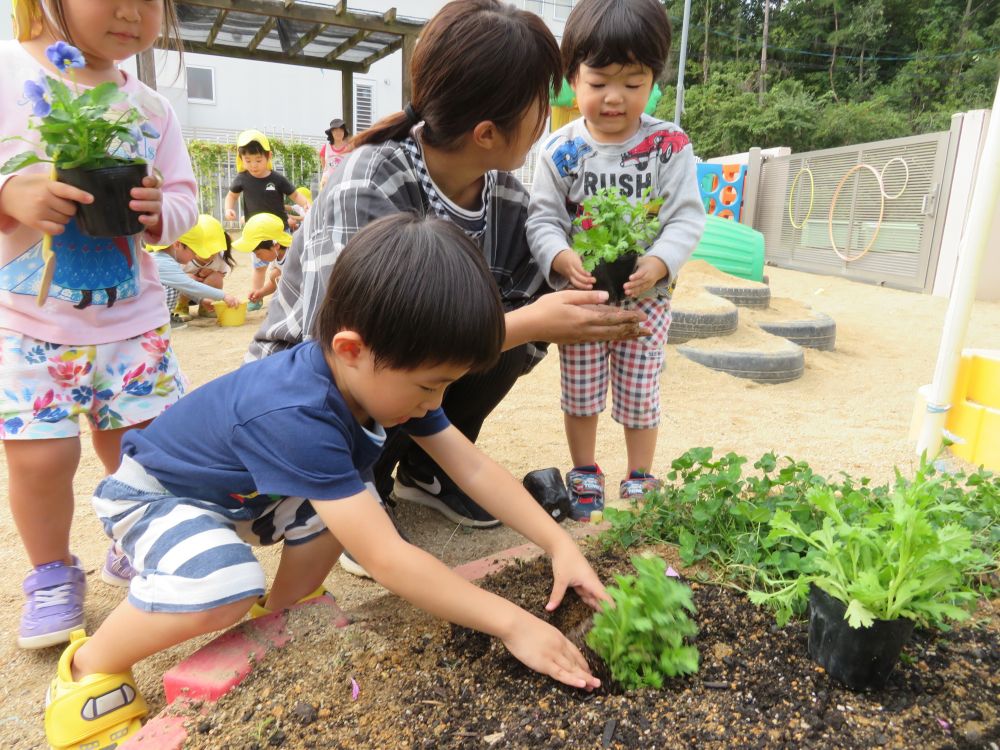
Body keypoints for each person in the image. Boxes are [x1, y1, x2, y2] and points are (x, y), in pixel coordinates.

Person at [43, 214, 608, 749]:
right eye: (431, 387)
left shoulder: (387, 379)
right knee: (223, 586)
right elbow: (385, 559)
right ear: (352, 349)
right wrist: (512, 624)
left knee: (341, 509)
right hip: (156, 496)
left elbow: (473, 466)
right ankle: (90, 669)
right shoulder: (300, 411)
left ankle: (283, 617)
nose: (435, 404)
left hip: (243, 496)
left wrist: (558, 543)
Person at [249, 0, 648, 554]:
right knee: (510, 327)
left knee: (513, 332)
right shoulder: (371, 178)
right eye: (539, 105)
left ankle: (423, 470)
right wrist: (530, 322)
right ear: (487, 132)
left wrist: (614, 277)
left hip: (403, 379)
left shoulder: (504, 196)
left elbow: (549, 291)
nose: (545, 119)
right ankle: (352, 488)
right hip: (322, 381)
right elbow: (345, 345)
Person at [0, 0, 196, 649]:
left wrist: (158, 211)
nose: (131, 10)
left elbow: (184, 200)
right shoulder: (7, 73)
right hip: (27, 322)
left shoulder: (151, 107)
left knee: (144, 453)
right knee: (41, 458)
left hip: (132, 323)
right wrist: (9, 195)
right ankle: (53, 574)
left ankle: (135, 542)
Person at [526, 0, 705, 520]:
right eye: (600, 80)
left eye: (633, 82)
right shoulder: (560, 150)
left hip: (644, 299)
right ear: (573, 78)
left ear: (654, 79)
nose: (614, 97)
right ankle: (585, 471)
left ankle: (639, 475)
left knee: (639, 389)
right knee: (579, 391)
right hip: (581, 298)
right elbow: (541, 220)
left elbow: (687, 218)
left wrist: (661, 261)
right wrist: (560, 258)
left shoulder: (668, 145)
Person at [223, 129, 310, 309]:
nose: (253, 165)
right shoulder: (242, 179)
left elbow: (294, 195)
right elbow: (231, 196)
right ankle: (257, 297)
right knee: (259, 266)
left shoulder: (276, 179)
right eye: (248, 161)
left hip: (279, 230)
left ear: (268, 156)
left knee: (287, 264)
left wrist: (306, 205)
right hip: (255, 232)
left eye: (258, 160)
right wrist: (228, 209)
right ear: (241, 159)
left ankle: (289, 295)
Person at [147, 214, 241, 328]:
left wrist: (201, 300)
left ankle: (163, 317)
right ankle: (160, 320)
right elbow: (188, 284)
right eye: (194, 251)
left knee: (174, 286)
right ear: (177, 244)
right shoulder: (163, 262)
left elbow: (184, 285)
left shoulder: (166, 259)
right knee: (171, 288)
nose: (196, 255)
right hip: (143, 311)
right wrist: (224, 296)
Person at [233, 212, 292, 308]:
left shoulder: (293, 254)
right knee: (274, 275)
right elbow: (273, 283)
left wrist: (285, 280)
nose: (258, 257)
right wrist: (261, 293)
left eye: (259, 253)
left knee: (276, 275)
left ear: (276, 246)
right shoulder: (275, 257)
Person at [318, 118, 352, 190]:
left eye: (341, 130)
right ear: (331, 133)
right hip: (327, 182)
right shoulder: (326, 147)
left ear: (344, 132)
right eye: (335, 130)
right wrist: (326, 174)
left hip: (343, 182)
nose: (338, 133)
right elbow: (323, 164)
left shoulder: (349, 148)